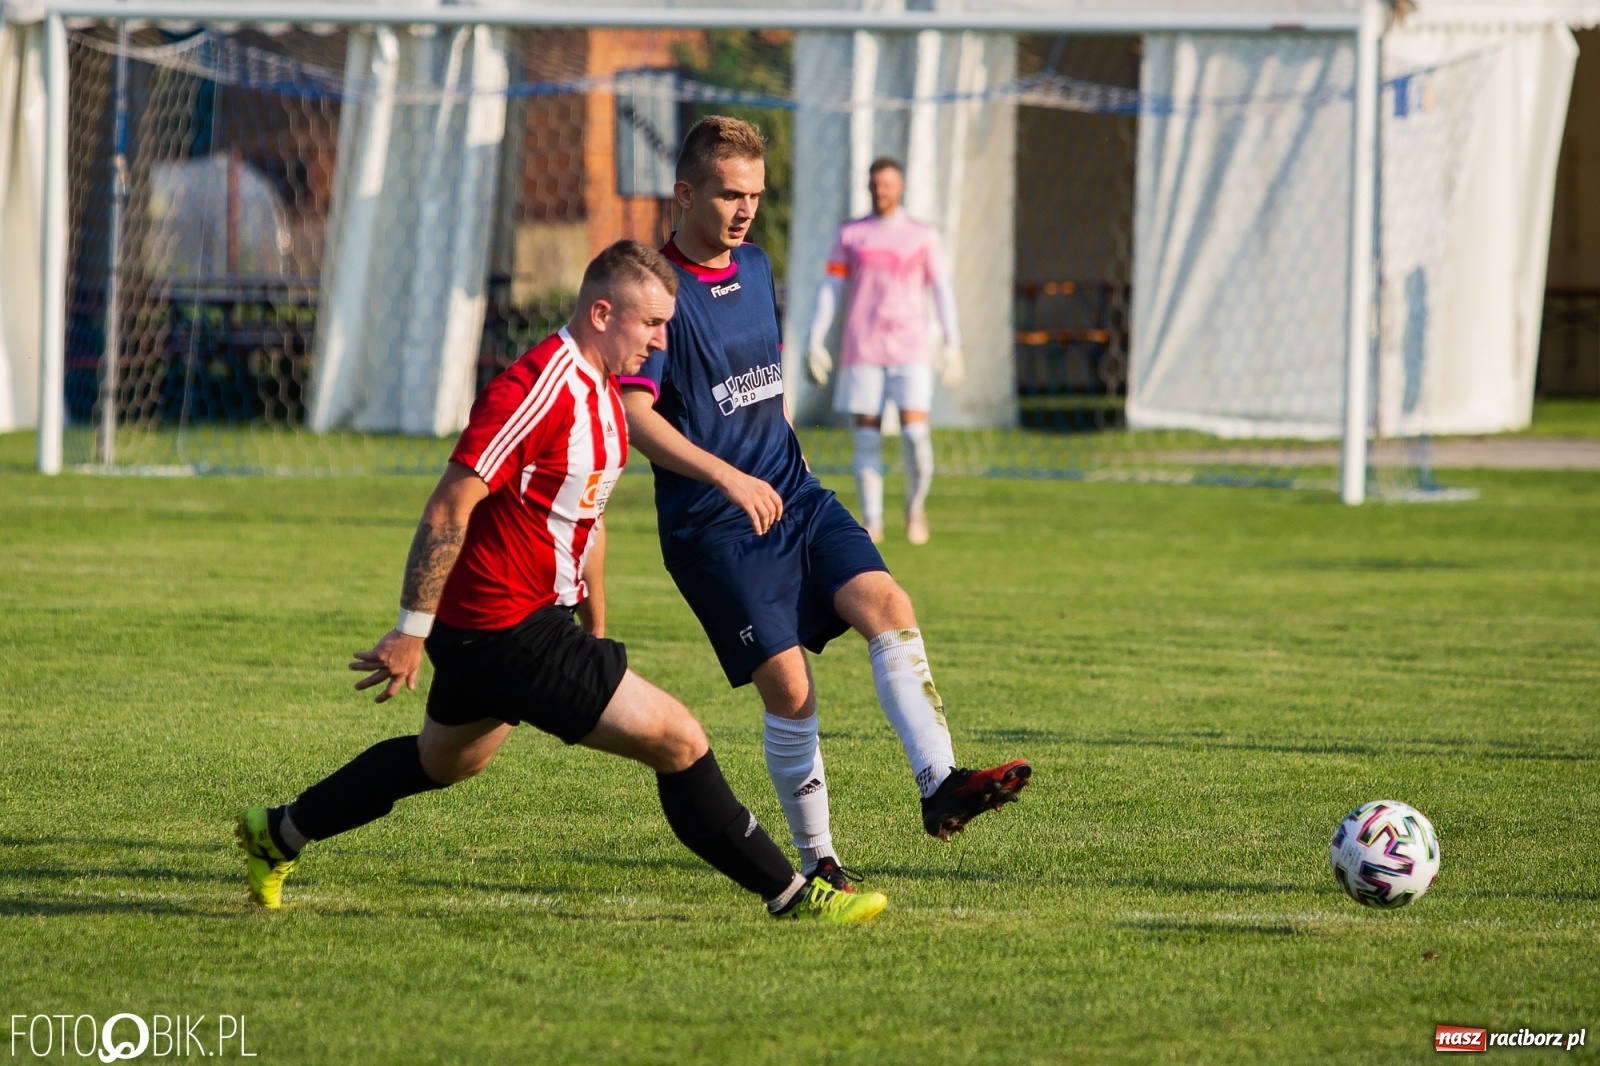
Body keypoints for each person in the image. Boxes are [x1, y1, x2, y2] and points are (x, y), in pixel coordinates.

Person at [234, 240, 886, 925]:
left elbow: (586, 513)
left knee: (445, 761)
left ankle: (277, 832)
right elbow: (449, 503)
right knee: (680, 739)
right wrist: (409, 629)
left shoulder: (608, 392)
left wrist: (593, 623)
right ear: (603, 312)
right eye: (652, 325)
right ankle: (794, 894)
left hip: (503, 623)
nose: (663, 340)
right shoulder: (535, 386)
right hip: (502, 625)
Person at [617, 117, 1030, 895]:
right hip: (715, 528)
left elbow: (761, 395)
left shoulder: (759, 264)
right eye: (729, 194)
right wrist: (729, 480)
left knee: (888, 600)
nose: (744, 211)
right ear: (684, 193)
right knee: (792, 687)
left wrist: (792, 468)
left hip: (796, 496)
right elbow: (637, 416)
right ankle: (820, 861)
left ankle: (940, 783)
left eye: (756, 195)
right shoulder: (657, 294)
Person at [806, 157, 964, 545]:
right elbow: (831, 288)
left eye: (888, 184)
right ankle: (872, 520)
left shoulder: (922, 236)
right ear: (869, 187)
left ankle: (914, 508)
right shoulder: (852, 235)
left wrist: (952, 342)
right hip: (863, 349)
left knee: (915, 435)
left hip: (910, 349)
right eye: (876, 184)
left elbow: (941, 290)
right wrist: (814, 339)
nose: (881, 190)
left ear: (901, 187)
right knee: (866, 438)